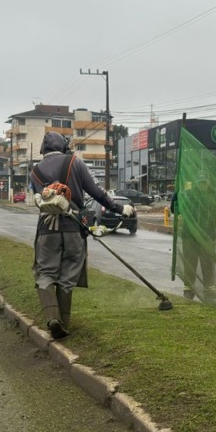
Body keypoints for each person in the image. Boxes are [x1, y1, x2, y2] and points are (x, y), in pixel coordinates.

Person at [29, 132, 133, 339]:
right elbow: (97, 192)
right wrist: (120, 209)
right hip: (73, 226)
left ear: (43, 150)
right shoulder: (75, 163)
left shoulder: (35, 171)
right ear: (66, 147)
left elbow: (38, 198)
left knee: (46, 273)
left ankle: (52, 318)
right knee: (68, 277)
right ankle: (63, 324)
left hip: (46, 228)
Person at [172, 175, 216, 300]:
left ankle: (209, 290)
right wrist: (175, 199)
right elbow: (176, 211)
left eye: (204, 183)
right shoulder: (188, 195)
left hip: (207, 237)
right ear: (196, 183)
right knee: (190, 264)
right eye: (200, 182)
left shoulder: (214, 197)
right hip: (189, 236)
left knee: (208, 264)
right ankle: (189, 290)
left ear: (208, 183)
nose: (202, 185)